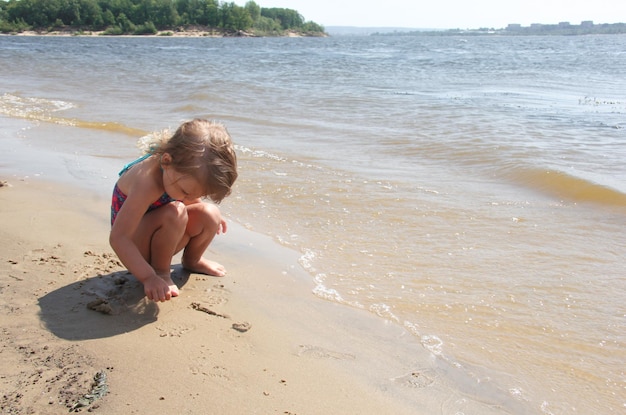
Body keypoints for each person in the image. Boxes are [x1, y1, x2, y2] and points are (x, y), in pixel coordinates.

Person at [109, 119, 238, 302]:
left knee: (210, 213)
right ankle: (161, 271)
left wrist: (204, 212)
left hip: (160, 237)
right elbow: (118, 237)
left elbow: (190, 198)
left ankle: (192, 261)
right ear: (167, 160)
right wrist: (148, 277)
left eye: (196, 194)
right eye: (185, 192)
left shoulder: (174, 172)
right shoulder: (147, 182)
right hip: (134, 249)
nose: (187, 199)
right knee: (176, 211)